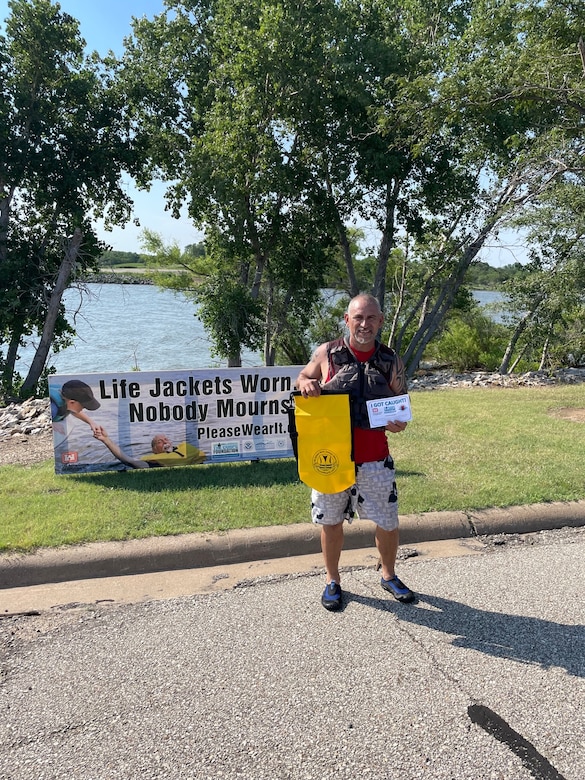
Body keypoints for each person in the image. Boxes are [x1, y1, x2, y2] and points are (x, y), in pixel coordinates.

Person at [296, 293, 415, 611]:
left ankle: (388, 575)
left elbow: (400, 401)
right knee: (331, 521)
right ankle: (332, 580)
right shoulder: (327, 353)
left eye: (371, 318)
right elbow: (303, 376)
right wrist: (307, 383)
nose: (365, 324)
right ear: (347, 320)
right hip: (332, 457)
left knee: (388, 521)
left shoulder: (390, 360)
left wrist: (397, 423)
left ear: (381, 321)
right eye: (358, 317)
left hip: (375, 456)